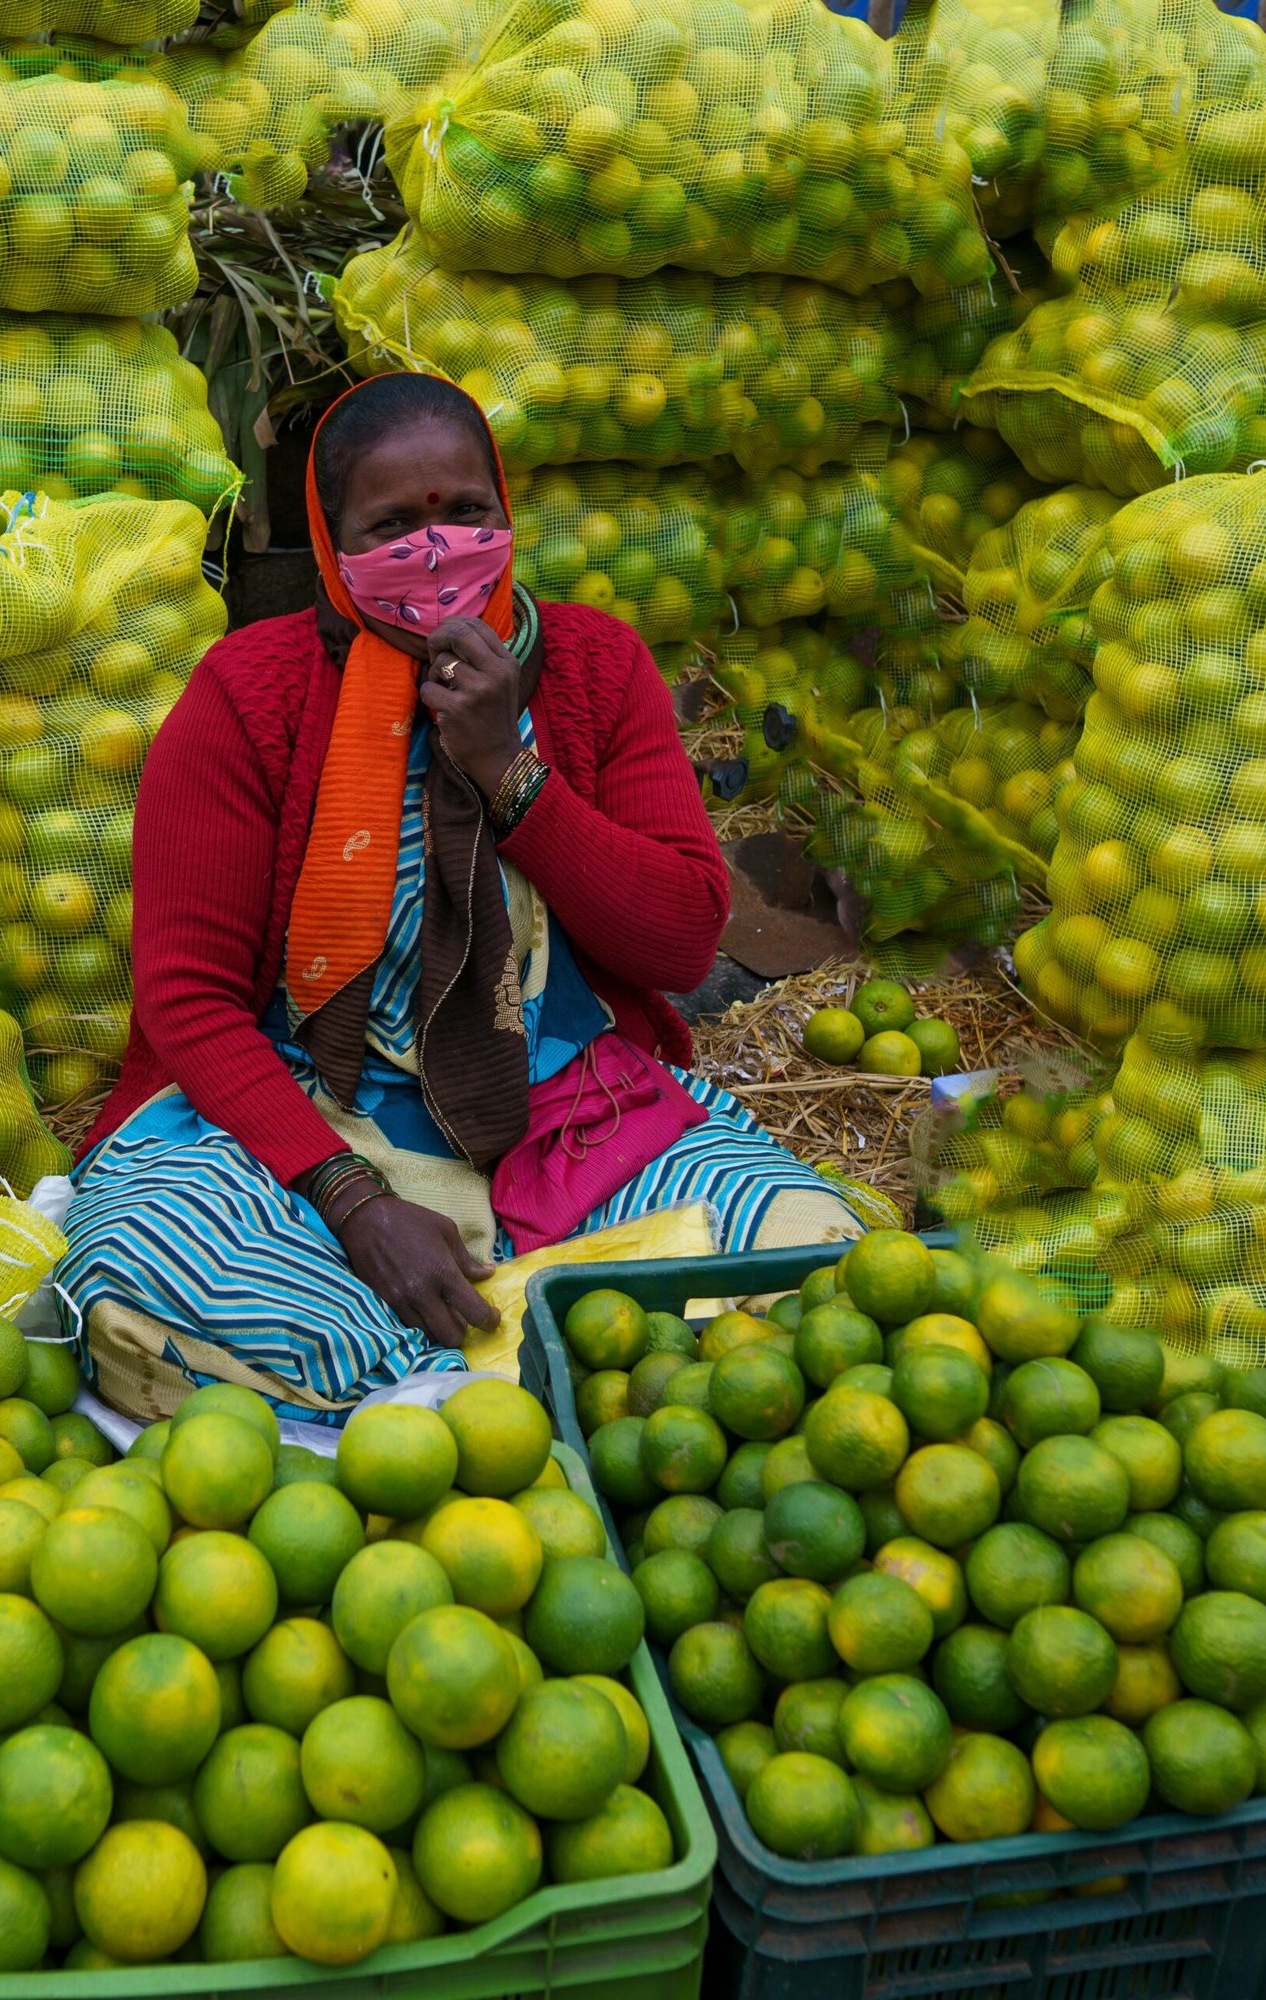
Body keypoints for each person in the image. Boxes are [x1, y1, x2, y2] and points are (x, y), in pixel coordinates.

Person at [58, 374, 866, 1422]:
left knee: (823, 1259)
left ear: (504, 513)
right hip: (315, 1121)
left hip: (572, 1114)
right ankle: (487, 1383)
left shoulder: (591, 666)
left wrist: (508, 772)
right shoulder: (245, 695)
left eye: (463, 514)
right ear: (329, 543)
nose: (435, 550)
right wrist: (350, 1200)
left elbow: (675, 937)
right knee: (137, 1282)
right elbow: (191, 998)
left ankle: (451, 1385)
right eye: (392, 525)